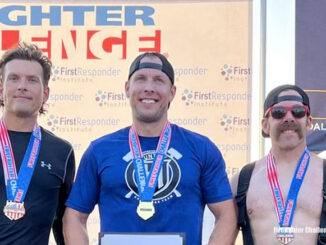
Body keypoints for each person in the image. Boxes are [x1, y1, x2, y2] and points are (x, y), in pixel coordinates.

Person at [63, 52, 237, 245]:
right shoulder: (99, 150)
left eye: (159, 81)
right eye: (140, 79)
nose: (149, 88)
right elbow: (74, 216)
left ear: (172, 92)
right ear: (128, 88)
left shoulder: (202, 148)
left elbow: (226, 215)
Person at [0, 42, 75, 245]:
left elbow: (64, 225)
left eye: (32, 80)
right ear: (1, 88)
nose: (22, 85)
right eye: (13, 78)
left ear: (45, 94)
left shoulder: (62, 151)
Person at [231, 84, 324, 245]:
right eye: (279, 113)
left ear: (308, 122)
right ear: (265, 125)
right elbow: (223, 237)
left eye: (298, 112)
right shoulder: (241, 180)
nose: (289, 118)